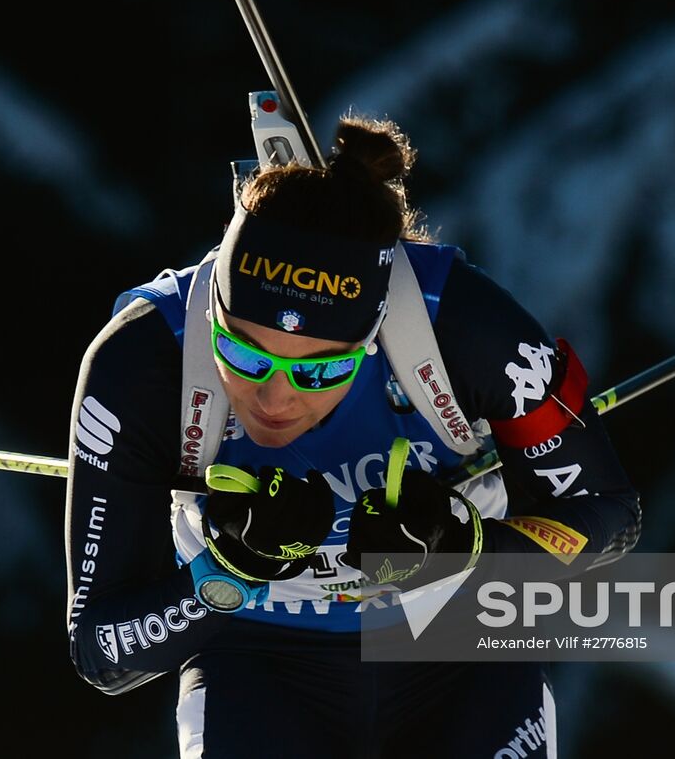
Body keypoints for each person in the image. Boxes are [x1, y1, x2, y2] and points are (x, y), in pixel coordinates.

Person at [65, 115, 641, 758]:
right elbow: (101, 647)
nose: (276, 396)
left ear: (371, 338)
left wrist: (463, 548)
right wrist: (230, 572)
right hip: (257, 664)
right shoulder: (142, 359)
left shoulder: (470, 332)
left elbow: (608, 516)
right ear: (213, 313)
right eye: (246, 354)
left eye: (321, 369)